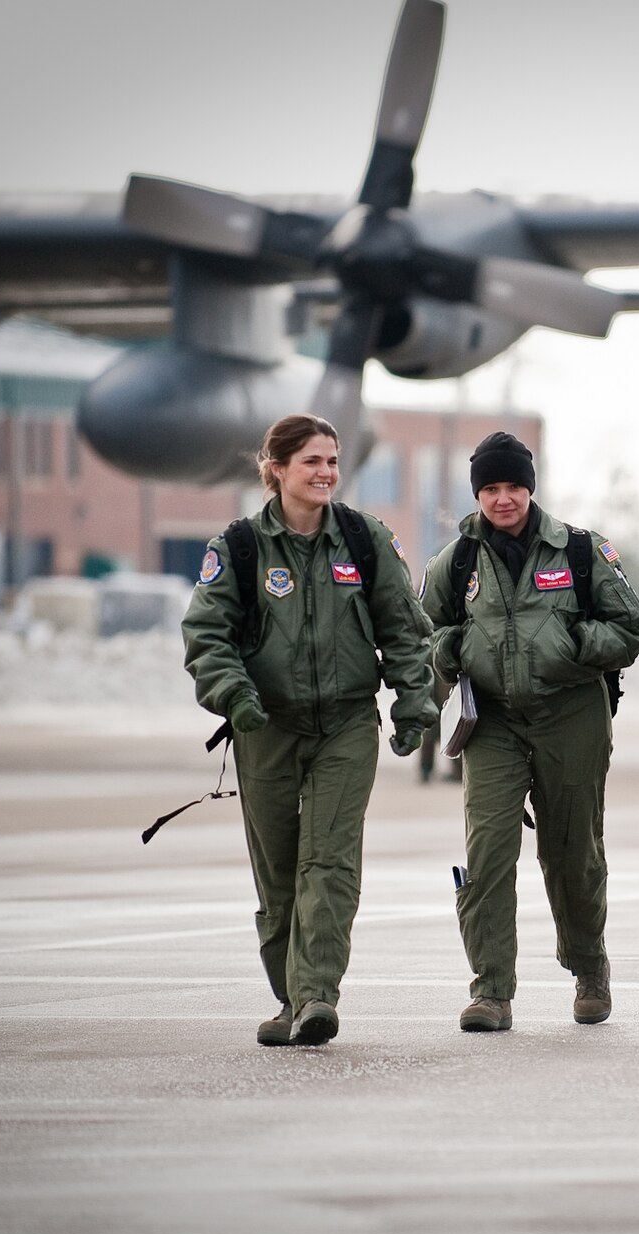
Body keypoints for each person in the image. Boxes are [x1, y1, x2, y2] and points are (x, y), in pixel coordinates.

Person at [182, 413, 437, 1048]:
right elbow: (206, 635)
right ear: (275, 470)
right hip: (265, 725)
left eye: (332, 460)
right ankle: (291, 998)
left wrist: (414, 702)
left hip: (347, 723)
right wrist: (234, 696)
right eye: (311, 462)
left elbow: (405, 628)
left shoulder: (364, 538)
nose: (325, 472)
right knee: (278, 874)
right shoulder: (239, 548)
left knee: (329, 860)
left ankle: (318, 993)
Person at [420, 432, 639, 1033]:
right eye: (491, 488)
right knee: (488, 852)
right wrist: (456, 649)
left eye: (513, 486)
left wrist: (573, 647)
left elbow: (630, 625)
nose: (503, 499)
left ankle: (589, 967)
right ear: (478, 494)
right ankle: (491, 990)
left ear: (530, 488)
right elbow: (427, 633)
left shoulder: (579, 550)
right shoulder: (457, 561)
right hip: (492, 722)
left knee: (571, 852)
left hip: (570, 715)